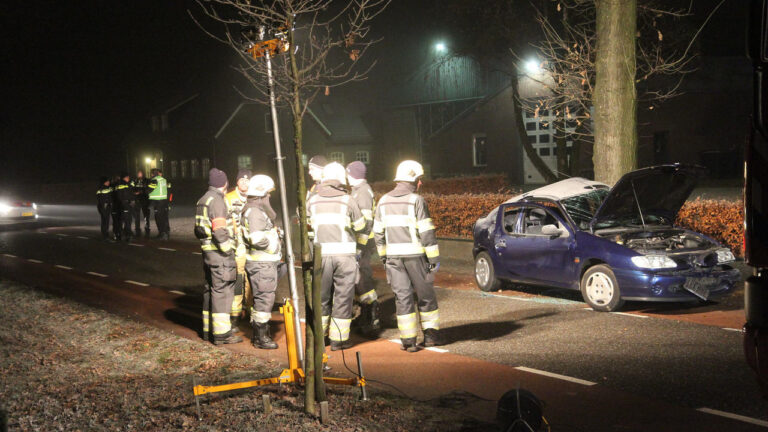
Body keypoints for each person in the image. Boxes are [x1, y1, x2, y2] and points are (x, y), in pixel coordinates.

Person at [373, 160, 445, 352]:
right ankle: (430, 337)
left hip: (393, 259)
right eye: (419, 179)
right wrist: (434, 260)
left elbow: (378, 234)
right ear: (413, 180)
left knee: (402, 298)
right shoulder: (416, 200)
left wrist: (384, 257)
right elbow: (427, 233)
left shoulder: (383, 201)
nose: (421, 183)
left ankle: (408, 341)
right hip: (416, 257)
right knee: (426, 296)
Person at [307, 162, 366, 351]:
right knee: (343, 297)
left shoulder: (312, 200)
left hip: (320, 256)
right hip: (344, 256)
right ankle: (338, 340)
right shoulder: (348, 200)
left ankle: (320, 337)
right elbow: (360, 227)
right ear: (341, 180)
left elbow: (307, 230)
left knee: (322, 297)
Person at [195, 168, 242, 345]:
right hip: (219, 255)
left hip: (208, 254)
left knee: (210, 291)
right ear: (224, 184)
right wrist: (228, 250)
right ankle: (222, 334)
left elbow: (199, 230)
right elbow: (220, 231)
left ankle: (208, 330)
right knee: (222, 293)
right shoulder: (217, 201)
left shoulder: (203, 199)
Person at [241, 174, 282, 349]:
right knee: (264, 299)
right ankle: (261, 337)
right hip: (262, 263)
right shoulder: (255, 212)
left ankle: (259, 336)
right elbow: (257, 239)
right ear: (261, 194)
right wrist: (274, 243)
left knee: (262, 299)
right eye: (268, 193)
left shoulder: (255, 210)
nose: (270, 196)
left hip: (262, 263)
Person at [346, 161, 380, 334]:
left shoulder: (363, 192)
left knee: (363, 279)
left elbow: (366, 224)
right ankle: (365, 315)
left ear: (353, 174)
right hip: (360, 243)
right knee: (358, 280)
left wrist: (359, 247)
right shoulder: (358, 191)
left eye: (348, 173)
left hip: (364, 244)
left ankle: (371, 317)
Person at [225, 169, 251, 329]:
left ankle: (250, 309)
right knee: (238, 277)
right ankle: (235, 314)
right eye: (242, 180)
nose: (245, 183)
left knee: (253, 277)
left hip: (253, 245)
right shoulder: (228, 198)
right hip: (238, 244)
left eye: (248, 180)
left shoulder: (256, 196)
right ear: (237, 182)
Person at [148, 168, 170, 240]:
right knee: (163, 218)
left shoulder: (155, 180)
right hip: (164, 201)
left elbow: (148, 190)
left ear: (153, 174)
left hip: (158, 202)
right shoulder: (163, 180)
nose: (151, 175)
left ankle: (162, 234)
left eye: (151, 174)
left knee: (159, 218)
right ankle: (165, 233)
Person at [115, 172, 135, 243]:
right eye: (127, 177)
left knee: (129, 220)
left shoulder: (127, 184)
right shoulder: (121, 185)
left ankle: (127, 234)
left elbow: (131, 193)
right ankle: (126, 235)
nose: (128, 178)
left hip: (129, 205)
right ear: (124, 178)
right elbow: (120, 196)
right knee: (126, 221)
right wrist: (126, 203)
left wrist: (132, 201)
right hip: (125, 205)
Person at [132, 170, 150, 237]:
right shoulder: (135, 181)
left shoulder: (146, 180)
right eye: (138, 173)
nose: (139, 175)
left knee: (146, 215)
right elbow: (132, 188)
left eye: (140, 173)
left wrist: (141, 191)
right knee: (137, 216)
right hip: (137, 200)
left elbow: (148, 189)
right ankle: (137, 229)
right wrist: (134, 193)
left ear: (143, 174)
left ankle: (147, 228)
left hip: (145, 200)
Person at [110, 175, 122, 241]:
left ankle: (118, 233)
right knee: (116, 221)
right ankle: (116, 233)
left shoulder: (114, 186)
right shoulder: (113, 186)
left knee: (118, 221)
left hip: (118, 205)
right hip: (115, 205)